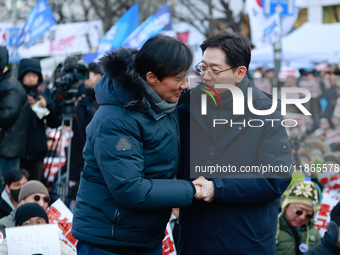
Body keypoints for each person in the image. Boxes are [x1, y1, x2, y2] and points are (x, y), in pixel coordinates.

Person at [72, 35, 201, 254]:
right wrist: (191, 189)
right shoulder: (116, 118)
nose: (184, 85)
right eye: (179, 78)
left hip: (145, 238)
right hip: (110, 243)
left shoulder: (164, 104)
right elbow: (129, 188)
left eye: (187, 76)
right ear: (151, 78)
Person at [177, 30, 292, 254]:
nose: (206, 75)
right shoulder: (188, 104)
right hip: (195, 237)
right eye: (203, 67)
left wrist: (217, 188)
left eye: (215, 69)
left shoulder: (266, 111)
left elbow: (275, 178)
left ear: (240, 72)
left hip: (244, 241)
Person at [17, 58, 60, 181]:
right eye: (28, 75)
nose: (31, 79)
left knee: (36, 187)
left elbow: (54, 123)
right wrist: (23, 103)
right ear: (22, 76)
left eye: (35, 75)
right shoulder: (15, 95)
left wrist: (48, 106)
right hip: (19, 152)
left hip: (37, 153)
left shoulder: (43, 95)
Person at [68, 62, 102, 202]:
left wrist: (88, 112)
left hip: (89, 154)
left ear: (98, 76)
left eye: (88, 74)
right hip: (77, 152)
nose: (84, 79)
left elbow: (95, 128)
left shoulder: (102, 98)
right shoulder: (82, 94)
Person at [0, 46, 29, 187]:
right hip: (6, 146)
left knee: (9, 188)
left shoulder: (11, 86)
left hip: (8, 149)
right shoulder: (5, 83)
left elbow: (7, 115)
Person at [0, 203, 75, 255]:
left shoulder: (54, 242)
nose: (33, 225)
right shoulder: (10, 243)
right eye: (28, 223)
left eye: (39, 222)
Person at [276, 181, 322, 255]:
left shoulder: (314, 234)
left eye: (309, 215)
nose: (302, 217)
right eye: (299, 211)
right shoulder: (272, 228)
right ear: (286, 206)